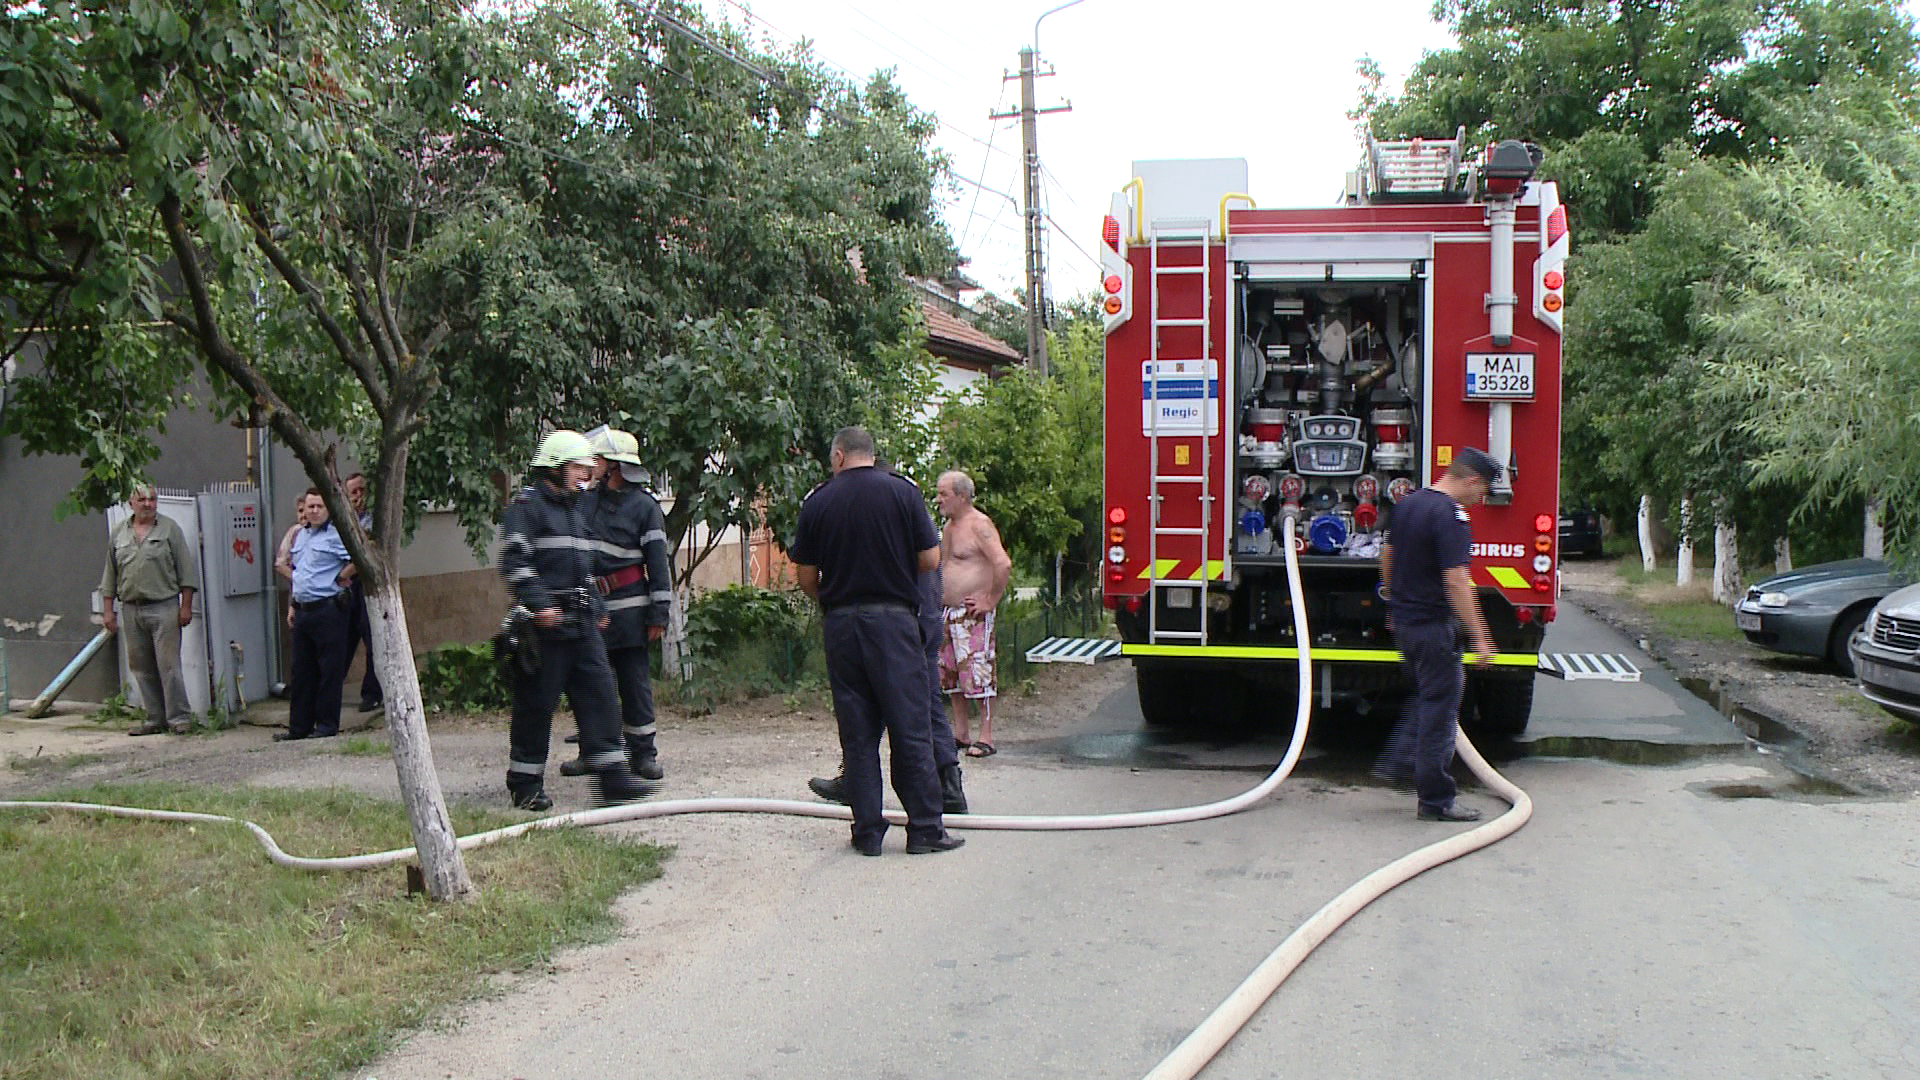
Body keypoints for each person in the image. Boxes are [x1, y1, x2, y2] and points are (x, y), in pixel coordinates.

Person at [790, 427, 962, 856]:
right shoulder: (903, 492)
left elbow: (806, 578)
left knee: (858, 732)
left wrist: (837, 597)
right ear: (870, 453)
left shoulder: (818, 501)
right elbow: (930, 559)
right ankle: (924, 829)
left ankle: (867, 832)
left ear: (839, 456)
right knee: (910, 726)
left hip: (842, 625)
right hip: (893, 623)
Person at [498, 430, 658, 811]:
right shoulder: (528, 506)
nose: (587, 475)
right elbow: (515, 561)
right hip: (545, 628)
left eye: (589, 468)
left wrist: (598, 609)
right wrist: (539, 604)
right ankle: (525, 785)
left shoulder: (575, 509)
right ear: (554, 468)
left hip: (581, 624)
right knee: (536, 707)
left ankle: (613, 779)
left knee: (601, 698)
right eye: (578, 468)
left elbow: (584, 569)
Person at [1374, 447, 1501, 822]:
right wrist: (1480, 636)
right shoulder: (1450, 516)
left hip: (1406, 625)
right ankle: (1436, 800)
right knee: (1440, 713)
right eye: (1482, 492)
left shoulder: (1408, 504)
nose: (1480, 500)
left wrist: (1394, 601)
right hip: (1433, 627)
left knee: (1427, 699)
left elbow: (1387, 555)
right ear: (1472, 480)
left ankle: (1399, 763)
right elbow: (1457, 581)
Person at [560, 428, 673, 781]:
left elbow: (658, 565)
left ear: (615, 466)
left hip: (630, 614)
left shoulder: (645, 507)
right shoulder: (584, 501)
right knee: (589, 685)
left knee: (634, 685)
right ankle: (592, 752)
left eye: (597, 460)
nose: (591, 465)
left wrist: (659, 614)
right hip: (590, 610)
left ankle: (642, 754)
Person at [100, 484, 201, 736]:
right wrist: (108, 610)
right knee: (141, 666)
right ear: (131, 503)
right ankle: (155, 718)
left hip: (163, 606)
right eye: (142, 499)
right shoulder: (119, 533)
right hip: (131, 608)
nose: (148, 504)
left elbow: (186, 571)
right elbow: (110, 574)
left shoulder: (169, 529)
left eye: (152, 499)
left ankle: (179, 718)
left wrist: (186, 606)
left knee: (169, 665)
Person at [935, 470, 1012, 758]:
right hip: (948, 612)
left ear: (963, 496)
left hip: (973, 614)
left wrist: (990, 600)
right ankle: (961, 733)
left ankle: (986, 736)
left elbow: (1002, 563)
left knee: (979, 672)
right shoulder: (949, 527)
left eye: (944, 494)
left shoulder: (980, 525)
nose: (938, 499)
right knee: (952, 673)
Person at [277, 489, 354, 741]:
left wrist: (341, 576)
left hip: (328, 609)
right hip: (303, 610)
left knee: (329, 670)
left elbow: (357, 559)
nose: (314, 511)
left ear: (328, 509)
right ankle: (299, 727)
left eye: (319, 506)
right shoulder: (301, 536)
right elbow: (299, 573)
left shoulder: (337, 535)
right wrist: (293, 605)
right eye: (310, 507)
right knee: (302, 671)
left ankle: (326, 725)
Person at [341, 472, 383, 714]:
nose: (359, 496)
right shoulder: (342, 520)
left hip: (367, 584)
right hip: (346, 586)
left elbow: (367, 550)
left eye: (362, 490)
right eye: (353, 492)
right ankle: (329, 691)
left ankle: (372, 694)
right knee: (342, 640)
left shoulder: (373, 520)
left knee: (372, 640)